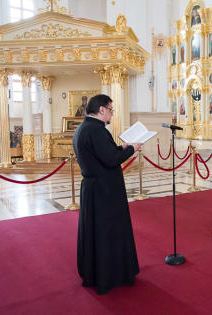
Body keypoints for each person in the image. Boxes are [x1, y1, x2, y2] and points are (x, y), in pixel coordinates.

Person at [73, 94, 142, 295]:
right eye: (111, 109)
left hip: (93, 188)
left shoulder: (83, 128)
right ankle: (110, 275)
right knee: (107, 232)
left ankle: (94, 272)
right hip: (105, 190)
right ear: (101, 110)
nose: (112, 113)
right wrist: (132, 149)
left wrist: (123, 146)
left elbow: (103, 152)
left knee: (95, 231)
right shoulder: (96, 130)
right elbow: (111, 159)